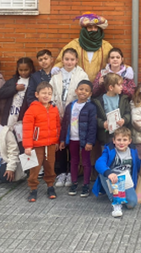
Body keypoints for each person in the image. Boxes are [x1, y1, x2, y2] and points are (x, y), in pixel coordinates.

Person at [50, 47, 89, 187]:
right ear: (62, 60)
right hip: (58, 114)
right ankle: (61, 173)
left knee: (72, 145)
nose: (69, 62)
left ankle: (71, 173)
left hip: (74, 115)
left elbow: (85, 93)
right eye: (66, 59)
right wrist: (54, 110)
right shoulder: (55, 77)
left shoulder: (82, 75)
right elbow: (51, 94)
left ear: (76, 60)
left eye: (72, 59)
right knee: (60, 144)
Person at [22, 82, 61, 202]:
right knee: (35, 167)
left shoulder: (54, 109)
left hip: (50, 144)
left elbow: (57, 126)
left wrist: (57, 140)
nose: (46, 96)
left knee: (50, 166)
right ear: (37, 94)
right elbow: (27, 128)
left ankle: (50, 186)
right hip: (36, 145)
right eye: (44, 93)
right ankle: (33, 189)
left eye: (49, 93)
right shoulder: (32, 109)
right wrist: (28, 146)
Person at [59, 80, 97, 197]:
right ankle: (74, 183)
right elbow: (65, 124)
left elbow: (92, 126)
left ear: (90, 94)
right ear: (76, 91)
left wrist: (90, 141)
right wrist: (62, 140)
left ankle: (86, 185)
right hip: (72, 139)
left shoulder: (91, 107)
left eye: (86, 90)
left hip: (85, 140)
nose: (83, 92)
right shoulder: (70, 106)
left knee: (85, 162)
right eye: (81, 89)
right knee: (73, 161)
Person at [93, 127, 141, 218]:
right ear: (114, 141)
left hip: (126, 180)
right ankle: (116, 203)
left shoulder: (133, 151)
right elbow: (99, 163)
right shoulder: (109, 150)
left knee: (132, 204)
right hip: (113, 179)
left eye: (124, 140)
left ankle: (121, 196)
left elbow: (138, 166)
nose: (121, 143)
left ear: (129, 141)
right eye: (119, 140)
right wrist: (109, 173)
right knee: (103, 171)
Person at [54, 13, 113, 81]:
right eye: (90, 27)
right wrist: (57, 67)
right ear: (85, 29)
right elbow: (63, 60)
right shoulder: (74, 44)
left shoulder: (106, 46)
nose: (93, 30)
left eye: (95, 27)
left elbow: (115, 61)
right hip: (79, 86)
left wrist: (126, 68)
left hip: (99, 86)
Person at [0, 57, 35, 147]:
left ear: (31, 69)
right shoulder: (13, 81)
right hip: (10, 115)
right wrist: (15, 89)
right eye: (20, 70)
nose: (23, 72)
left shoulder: (33, 81)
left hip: (24, 116)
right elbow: (0, 93)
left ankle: (22, 160)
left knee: (22, 141)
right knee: (9, 139)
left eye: (26, 70)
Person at [92, 73, 132, 145]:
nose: (122, 87)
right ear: (111, 87)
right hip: (105, 137)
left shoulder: (124, 99)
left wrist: (124, 120)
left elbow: (128, 113)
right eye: (119, 85)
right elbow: (95, 118)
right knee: (107, 154)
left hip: (121, 136)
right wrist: (103, 124)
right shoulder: (98, 101)